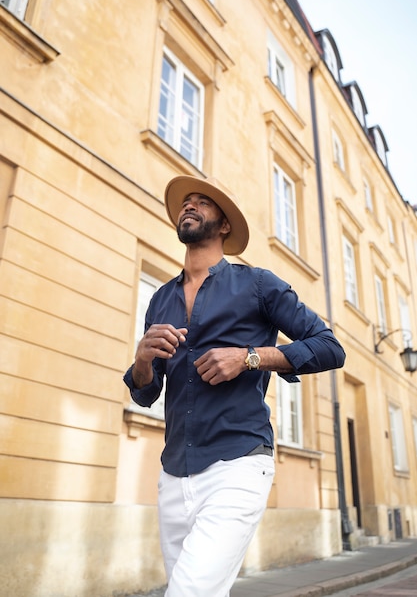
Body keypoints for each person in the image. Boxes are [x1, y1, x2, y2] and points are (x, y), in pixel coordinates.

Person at [123, 174, 346, 597]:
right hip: (173, 473)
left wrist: (249, 358)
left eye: (201, 202)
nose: (188, 206)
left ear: (224, 226)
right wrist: (142, 359)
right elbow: (145, 392)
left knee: (188, 592)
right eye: (185, 202)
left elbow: (329, 348)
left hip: (238, 463)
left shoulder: (258, 284)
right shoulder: (160, 300)